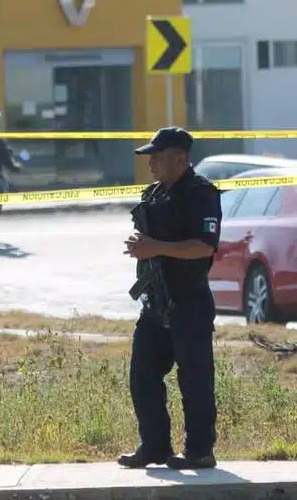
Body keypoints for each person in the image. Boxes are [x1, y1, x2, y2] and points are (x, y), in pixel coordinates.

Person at [120, 126, 222, 471]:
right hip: (155, 300)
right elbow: (150, 235)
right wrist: (140, 242)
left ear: (180, 158)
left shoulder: (200, 193)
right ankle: (154, 447)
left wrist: (156, 247)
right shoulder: (154, 193)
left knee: (194, 379)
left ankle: (199, 451)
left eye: (157, 158)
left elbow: (204, 246)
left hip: (188, 300)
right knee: (142, 375)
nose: (151, 165)